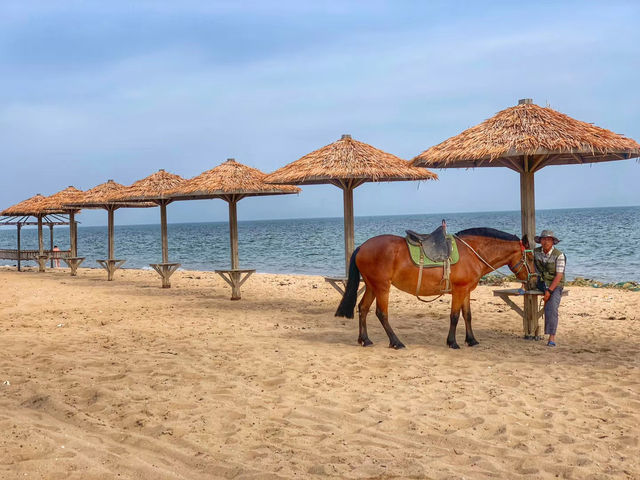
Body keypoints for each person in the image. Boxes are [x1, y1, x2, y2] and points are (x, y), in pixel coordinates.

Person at [534, 230, 566, 347]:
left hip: (555, 284)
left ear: (553, 242)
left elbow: (559, 275)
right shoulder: (535, 252)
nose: (545, 242)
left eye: (548, 239)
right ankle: (532, 330)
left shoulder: (559, 255)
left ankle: (552, 337)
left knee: (552, 307)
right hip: (540, 282)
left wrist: (549, 291)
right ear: (540, 241)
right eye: (543, 239)